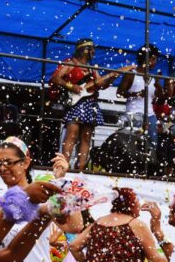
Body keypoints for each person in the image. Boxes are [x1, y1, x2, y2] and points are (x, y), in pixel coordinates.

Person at [51, 39, 131, 170]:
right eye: (91, 49)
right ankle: (63, 166)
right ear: (83, 50)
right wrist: (71, 86)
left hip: (90, 103)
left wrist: (112, 77)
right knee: (72, 134)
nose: (93, 52)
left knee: (86, 137)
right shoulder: (70, 63)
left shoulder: (92, 68)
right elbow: (55, 78)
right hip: (75, 103)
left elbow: (100, 85)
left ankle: (80, 168)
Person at [116, 45, 163, 148]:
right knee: (133, 145)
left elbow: (156, 99)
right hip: (134, 113)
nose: (155, 62)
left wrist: (160, 88)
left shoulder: (152, 78)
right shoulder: (131, 74)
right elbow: (119, 93)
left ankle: (151, 162)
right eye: (153, 59)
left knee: (153, 145)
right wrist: (135, 94)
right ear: (146, 58)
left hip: (150, 115)